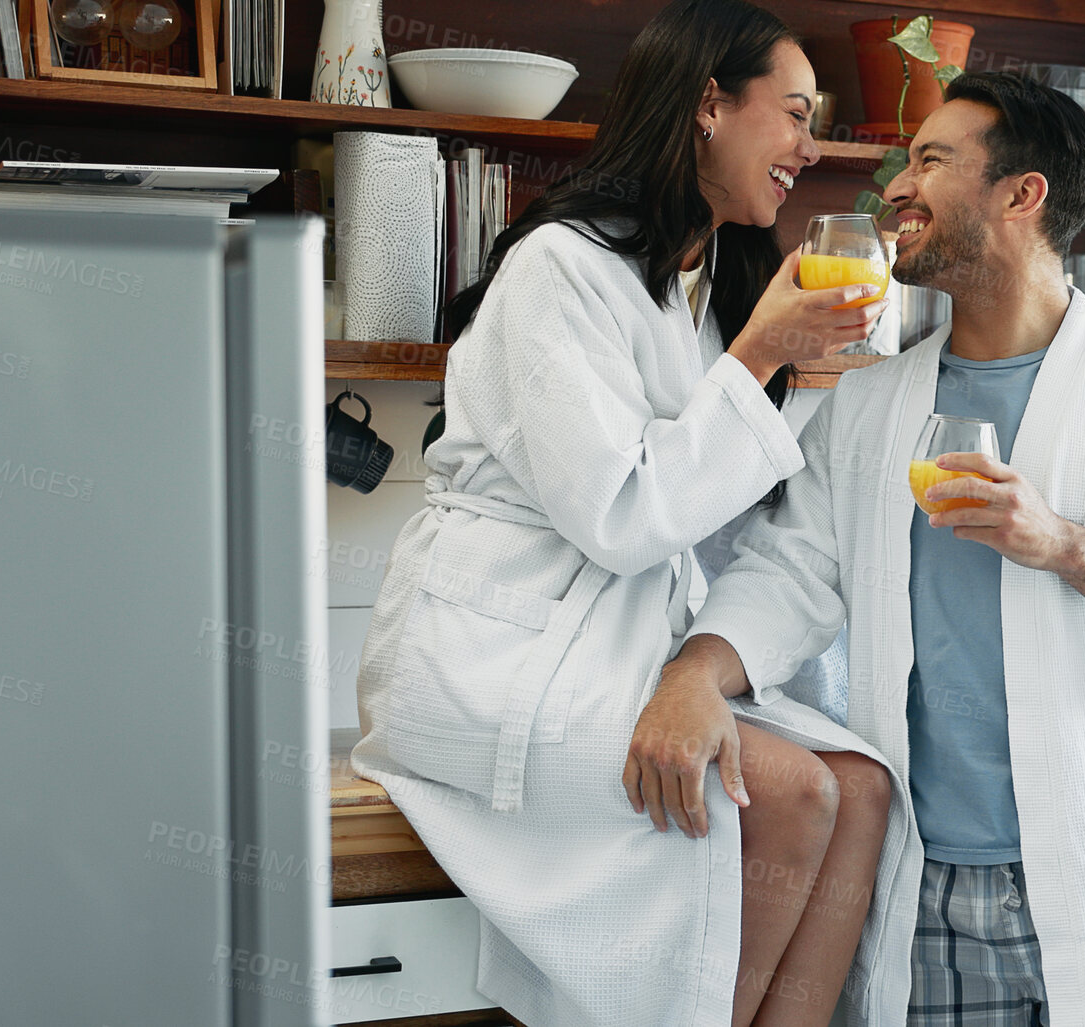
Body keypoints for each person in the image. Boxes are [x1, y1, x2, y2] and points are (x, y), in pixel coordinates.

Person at [628, 72, 1085, 1025]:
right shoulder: (866, 406)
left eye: (932, 161)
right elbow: (786, 576)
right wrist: (694, 672)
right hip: (922, 886)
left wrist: (1061, 543)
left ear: (1023, 196)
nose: (896, 185)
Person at [349, 2, 915, 1024]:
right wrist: (760, 359)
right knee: (792, 794)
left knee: (863, 790)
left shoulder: (700, 292)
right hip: (491, 663)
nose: (809, 146)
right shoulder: (558, 268)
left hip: (616, 650)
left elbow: (732, 528)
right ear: (708, 104)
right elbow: (620, 514)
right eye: (791, 113)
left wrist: (707, 667)